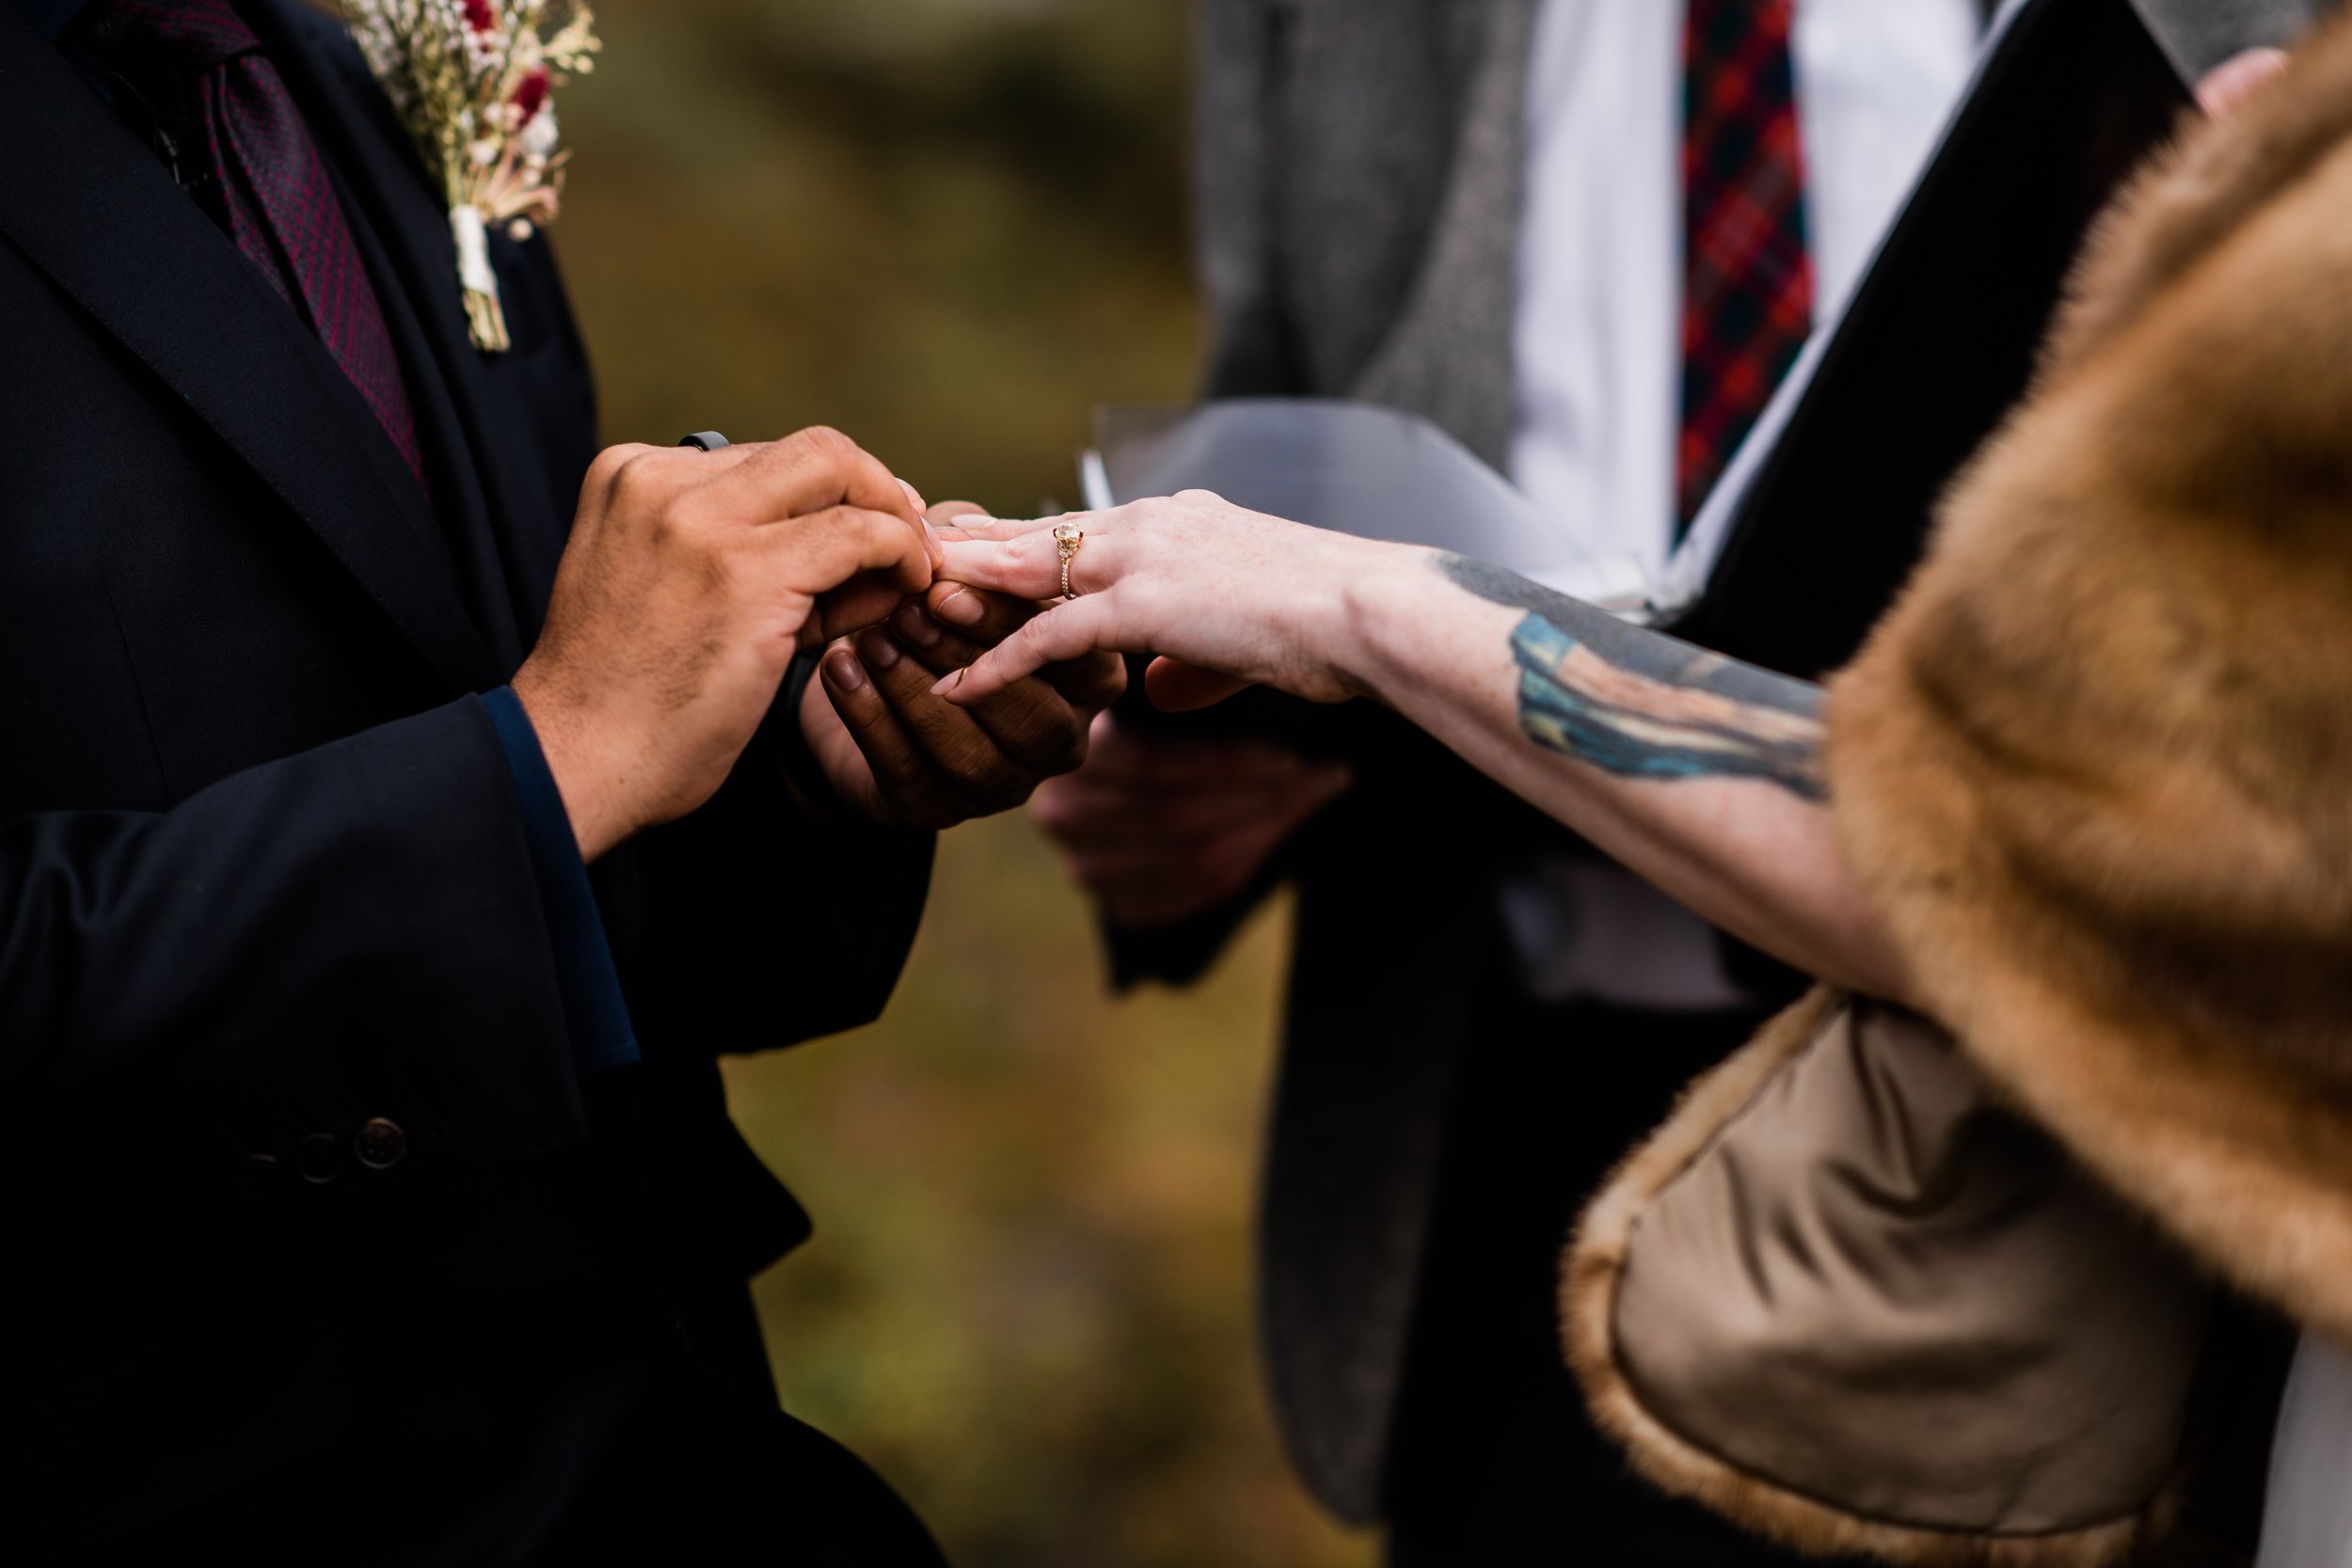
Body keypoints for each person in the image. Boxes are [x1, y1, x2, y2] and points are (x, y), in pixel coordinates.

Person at [937, 28, 2350, 1567]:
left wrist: (1374, 612)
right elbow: (1269, 406)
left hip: (2082, 1197)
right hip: (1507, 1134)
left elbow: (2039, 853)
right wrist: (1190, 771)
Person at [0, 0, 1120, 1558]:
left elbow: (502, 693)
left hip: (681, 1459)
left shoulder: (354, 80)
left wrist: (804, 766)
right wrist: (549, 762)